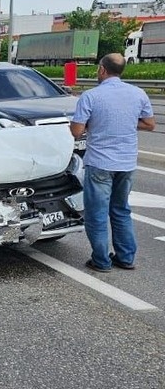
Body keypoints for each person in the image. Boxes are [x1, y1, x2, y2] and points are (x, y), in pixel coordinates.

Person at [69, 53, 156, 272]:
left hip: (100, 163)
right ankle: (125, 258)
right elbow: (149, 124)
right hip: (127, 163)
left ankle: (101, 261)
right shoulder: (138, 93)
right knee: (121, 210)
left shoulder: (91, 96)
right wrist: (126, 123)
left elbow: (77, 131)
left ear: (102, 69)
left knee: (97, 214)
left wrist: (94, 124)